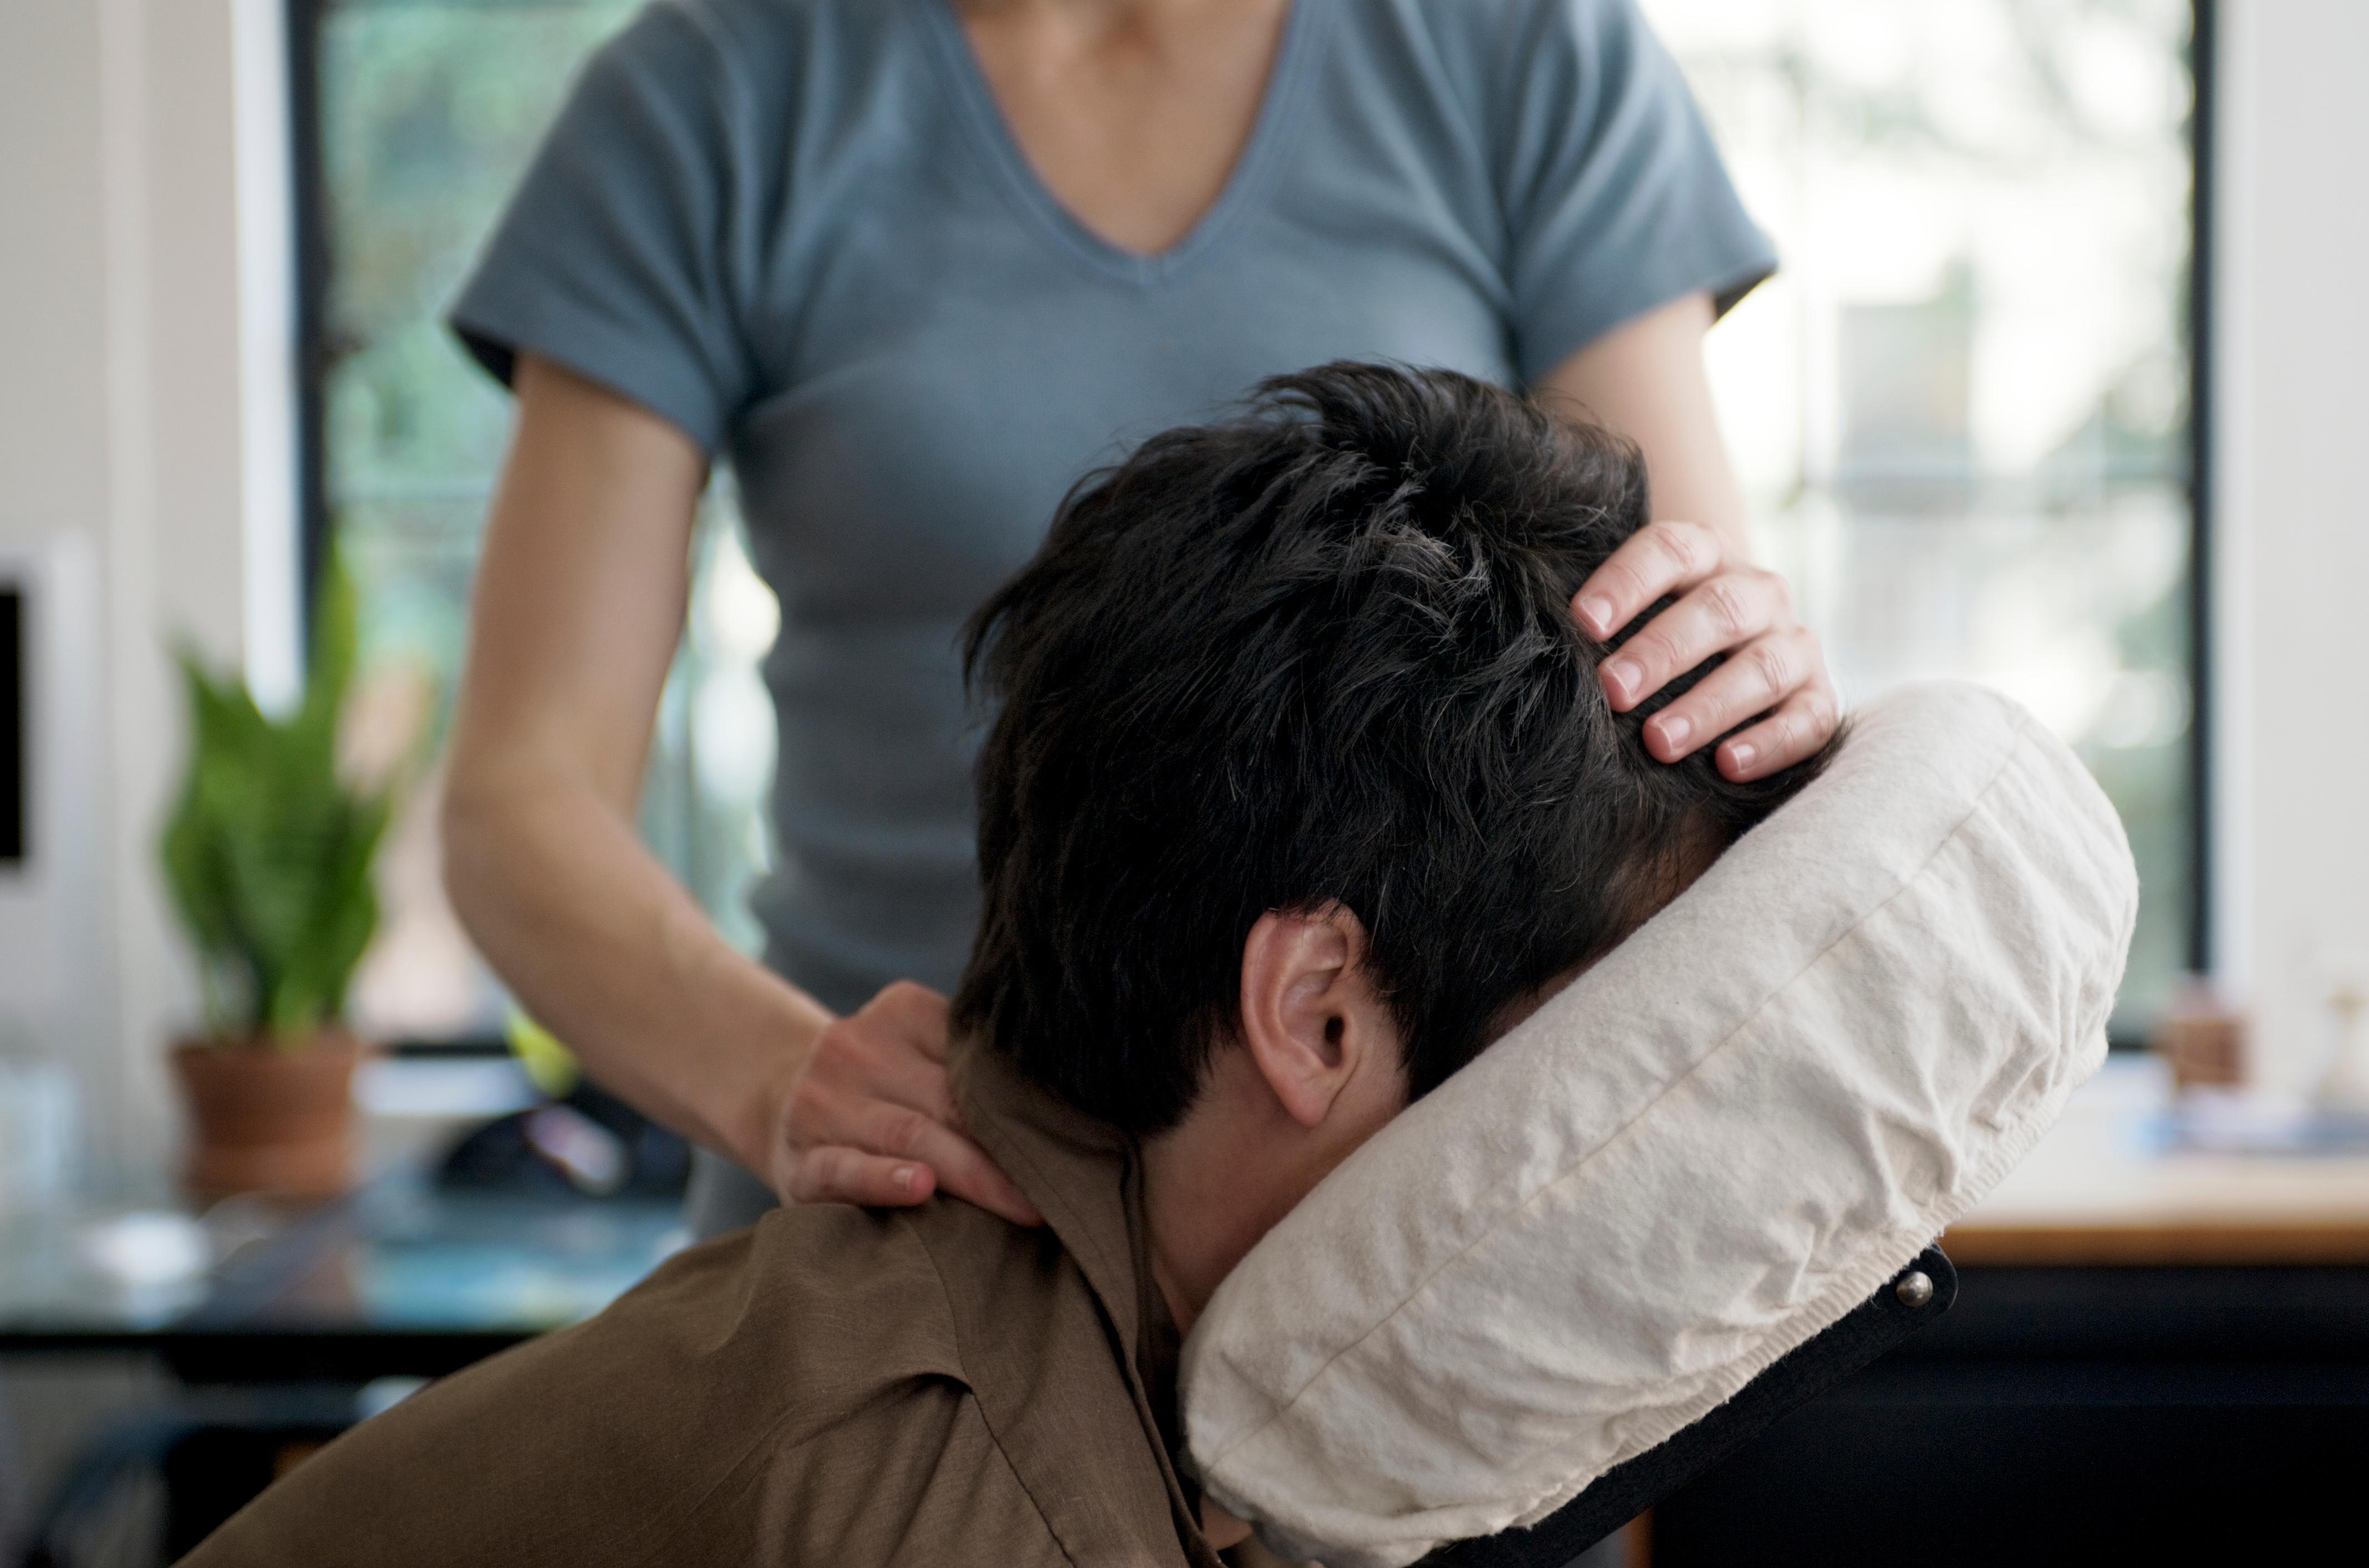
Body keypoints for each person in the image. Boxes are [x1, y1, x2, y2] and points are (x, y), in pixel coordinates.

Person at [190, 366, 1837, 1566]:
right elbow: (518, 800)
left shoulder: (1175, 1370)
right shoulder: (988, 1495)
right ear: (1317, 1013)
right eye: (1589, 1048)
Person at [439, 0, 1844, 1236]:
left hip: (1415, 1252)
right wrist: (776, 1080)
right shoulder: (705, 100)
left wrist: (1743, 660)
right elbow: (522, 799)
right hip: (912, 1219)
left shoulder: (1520, 44)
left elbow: (1669, 670)